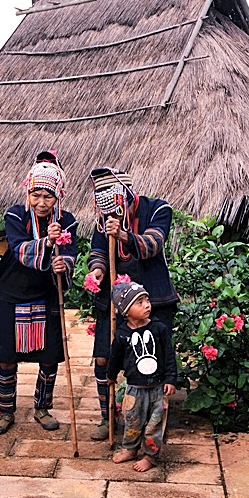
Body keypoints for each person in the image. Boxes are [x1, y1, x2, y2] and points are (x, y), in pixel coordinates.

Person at [0, 151, 78, 435]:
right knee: (7, 356)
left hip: (45, 293)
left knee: (49, 356)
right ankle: (5, 410)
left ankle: (42, 407)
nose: (41, 202)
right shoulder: (15, 215)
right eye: (35, 195)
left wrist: (64, 265)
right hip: (11, 291)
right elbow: (18, 248)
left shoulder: (67, 221)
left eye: (48, 196)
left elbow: (70, 253)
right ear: (27, 192)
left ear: (58, 196)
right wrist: (47, 243)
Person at [85, 167, 178, 441]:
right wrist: (98, 271)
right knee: (104, 358)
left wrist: (124, 235)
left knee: (154, 360)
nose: (112, 216)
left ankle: (151, 424)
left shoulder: (158, 209)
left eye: (117, 209)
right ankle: (108, 418)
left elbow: (154, 244)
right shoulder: (103, 221)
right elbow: (98, 250)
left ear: (128, 197)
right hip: (116, 302)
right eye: (107, 212)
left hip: (154, 301)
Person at [107, 280, 177, 472]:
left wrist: (170, 379)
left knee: (154, 425)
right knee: (132, 421)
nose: (147, 305)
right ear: (126, 311)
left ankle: (150, 456)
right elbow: (115, 358)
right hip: (134, 389)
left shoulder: (158, 329)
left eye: (147, 300)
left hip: (158, 388)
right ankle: (130, 449)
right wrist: (111, 376)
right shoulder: (122, 334)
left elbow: (169, 355)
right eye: (140, 302)